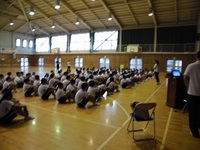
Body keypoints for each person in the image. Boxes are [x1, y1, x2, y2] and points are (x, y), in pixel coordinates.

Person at [183, 51, 200, 138]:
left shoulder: (191, 66)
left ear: (197, 57)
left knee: (193, 113)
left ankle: (194, 132)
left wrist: (188, 87)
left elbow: (185, 77)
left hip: (193, 93)